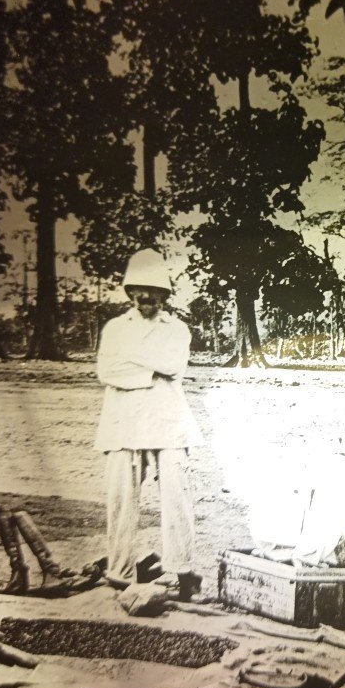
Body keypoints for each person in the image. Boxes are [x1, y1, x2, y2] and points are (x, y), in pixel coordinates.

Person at [95, 249, 202, 598]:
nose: (147, 298)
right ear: (129, 293)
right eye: (140, 291)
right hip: (123, 421)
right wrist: (149, 371)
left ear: (164, 294)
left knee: (177, 496)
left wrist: (132, 364)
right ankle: (120, 570)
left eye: (154, 292)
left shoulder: (177, 328)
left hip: (167, 418)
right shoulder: (114, 328)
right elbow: (107, 371)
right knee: (121, 498)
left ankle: (182, 569)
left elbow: (173, 366)